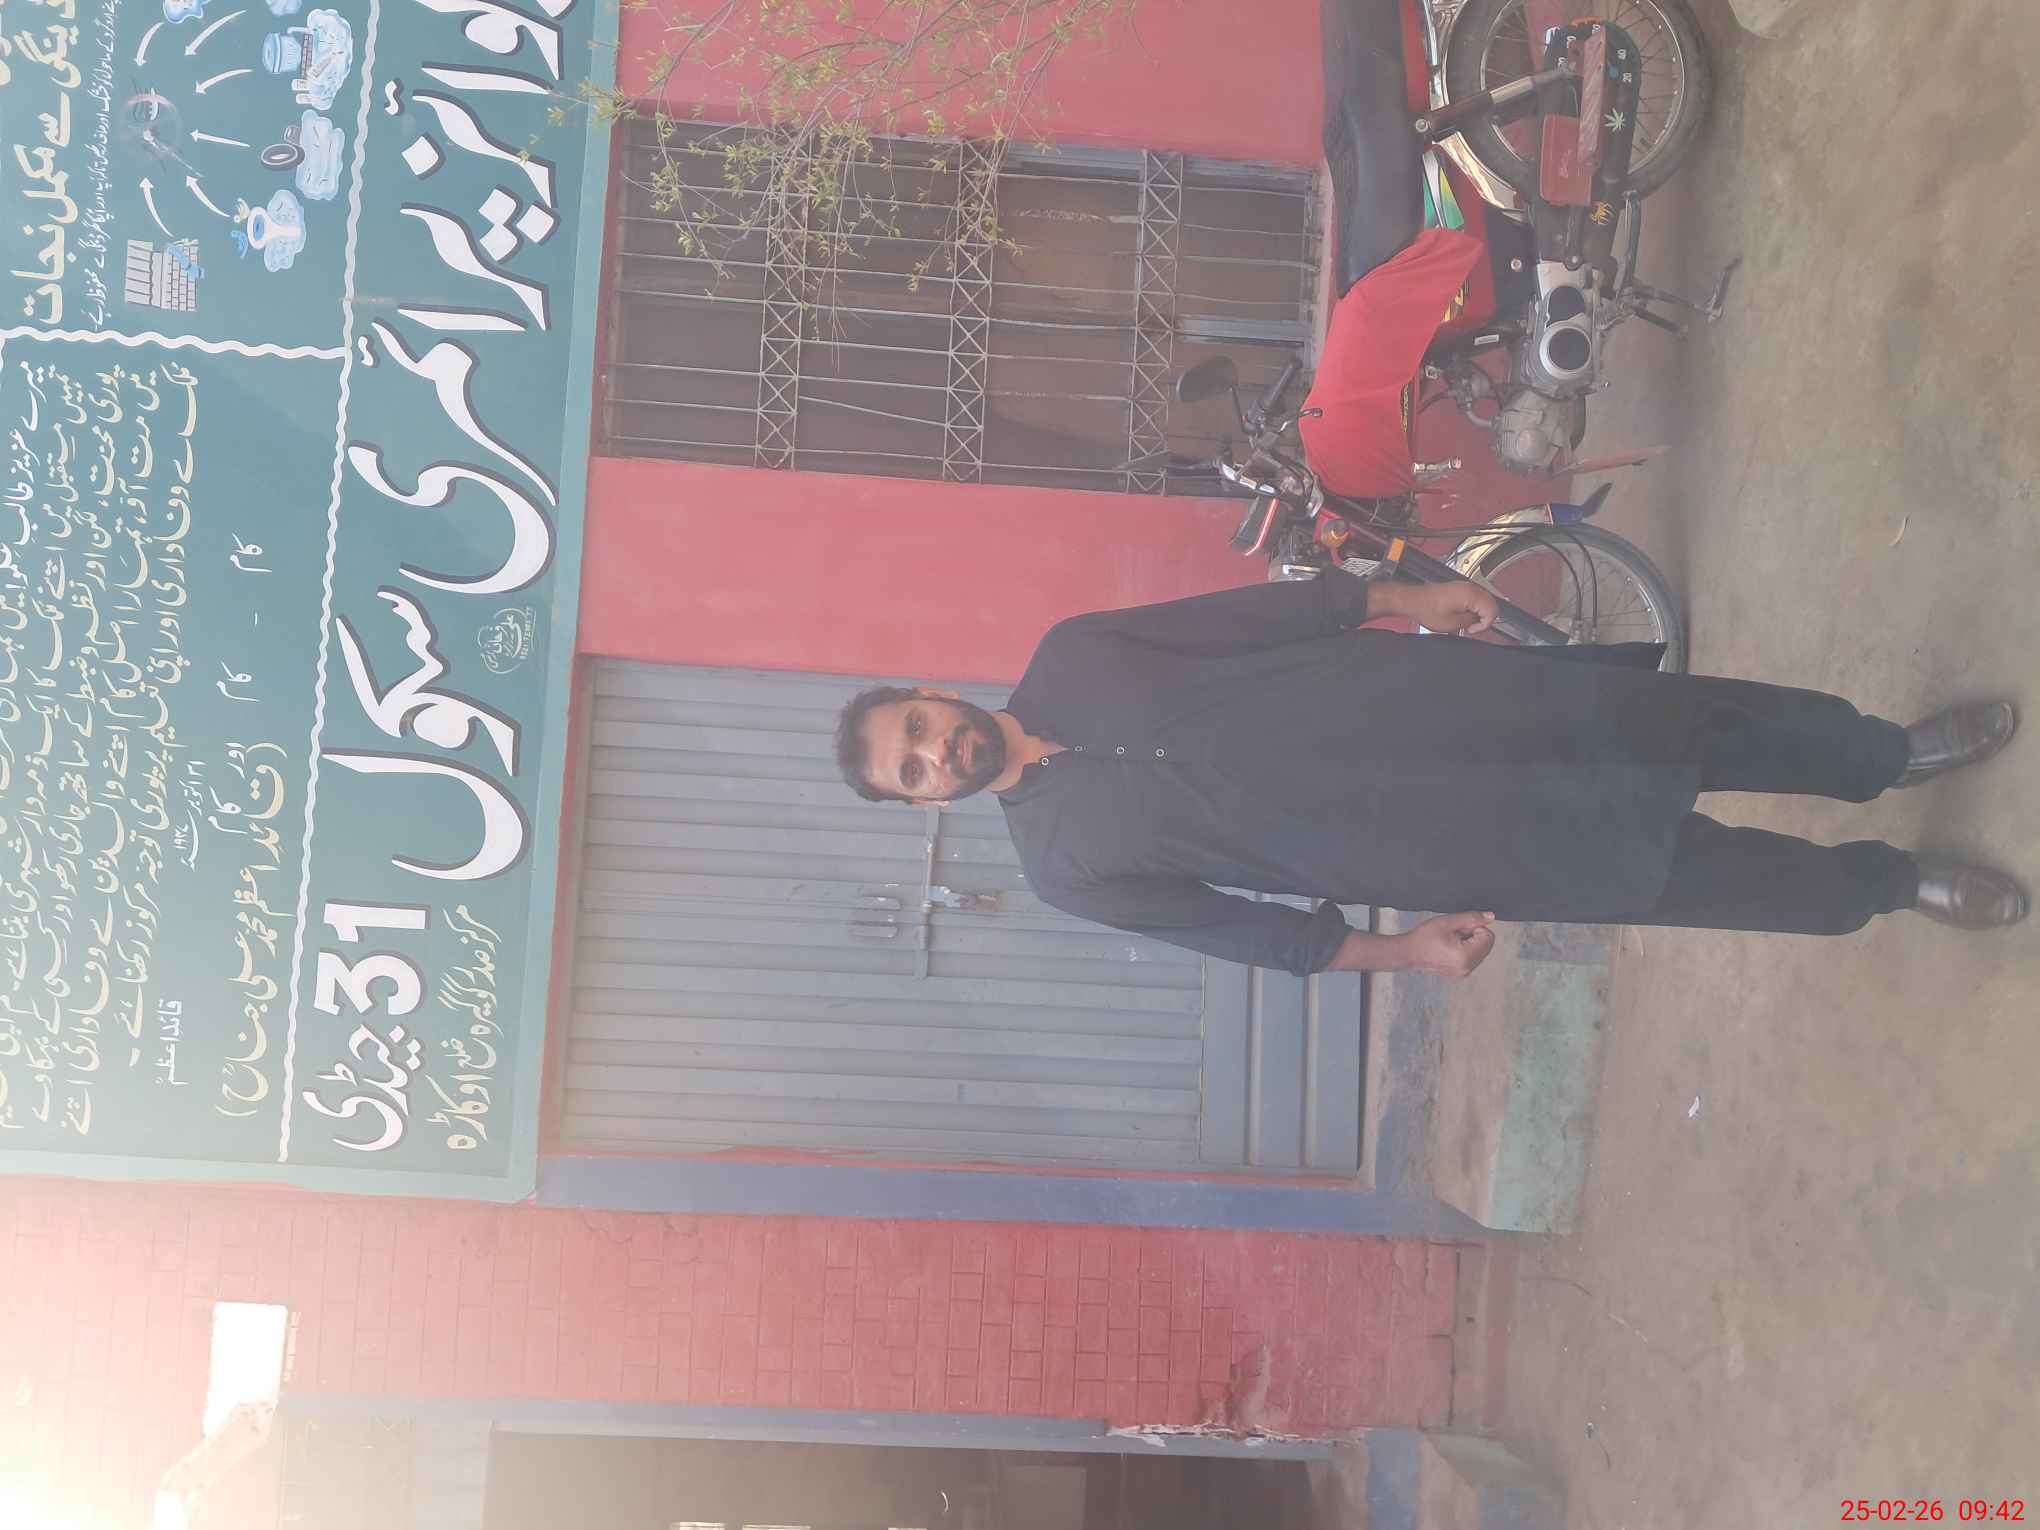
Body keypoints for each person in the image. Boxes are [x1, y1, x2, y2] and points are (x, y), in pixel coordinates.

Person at [832, 573, 2024, 978]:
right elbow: (1243, 933)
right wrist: (1402, 953)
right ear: (921, 803)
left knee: (1695, 725)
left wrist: (1405, 599)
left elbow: (1249, 617)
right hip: (1436, 841)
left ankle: (1888, 755)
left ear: (929, 691)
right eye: (913, 771)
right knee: (1683, 875)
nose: (936, 752)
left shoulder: (1074, 655)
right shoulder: (1065, 870)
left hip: (1451, 703)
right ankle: (1891, 883)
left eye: (917, 727)